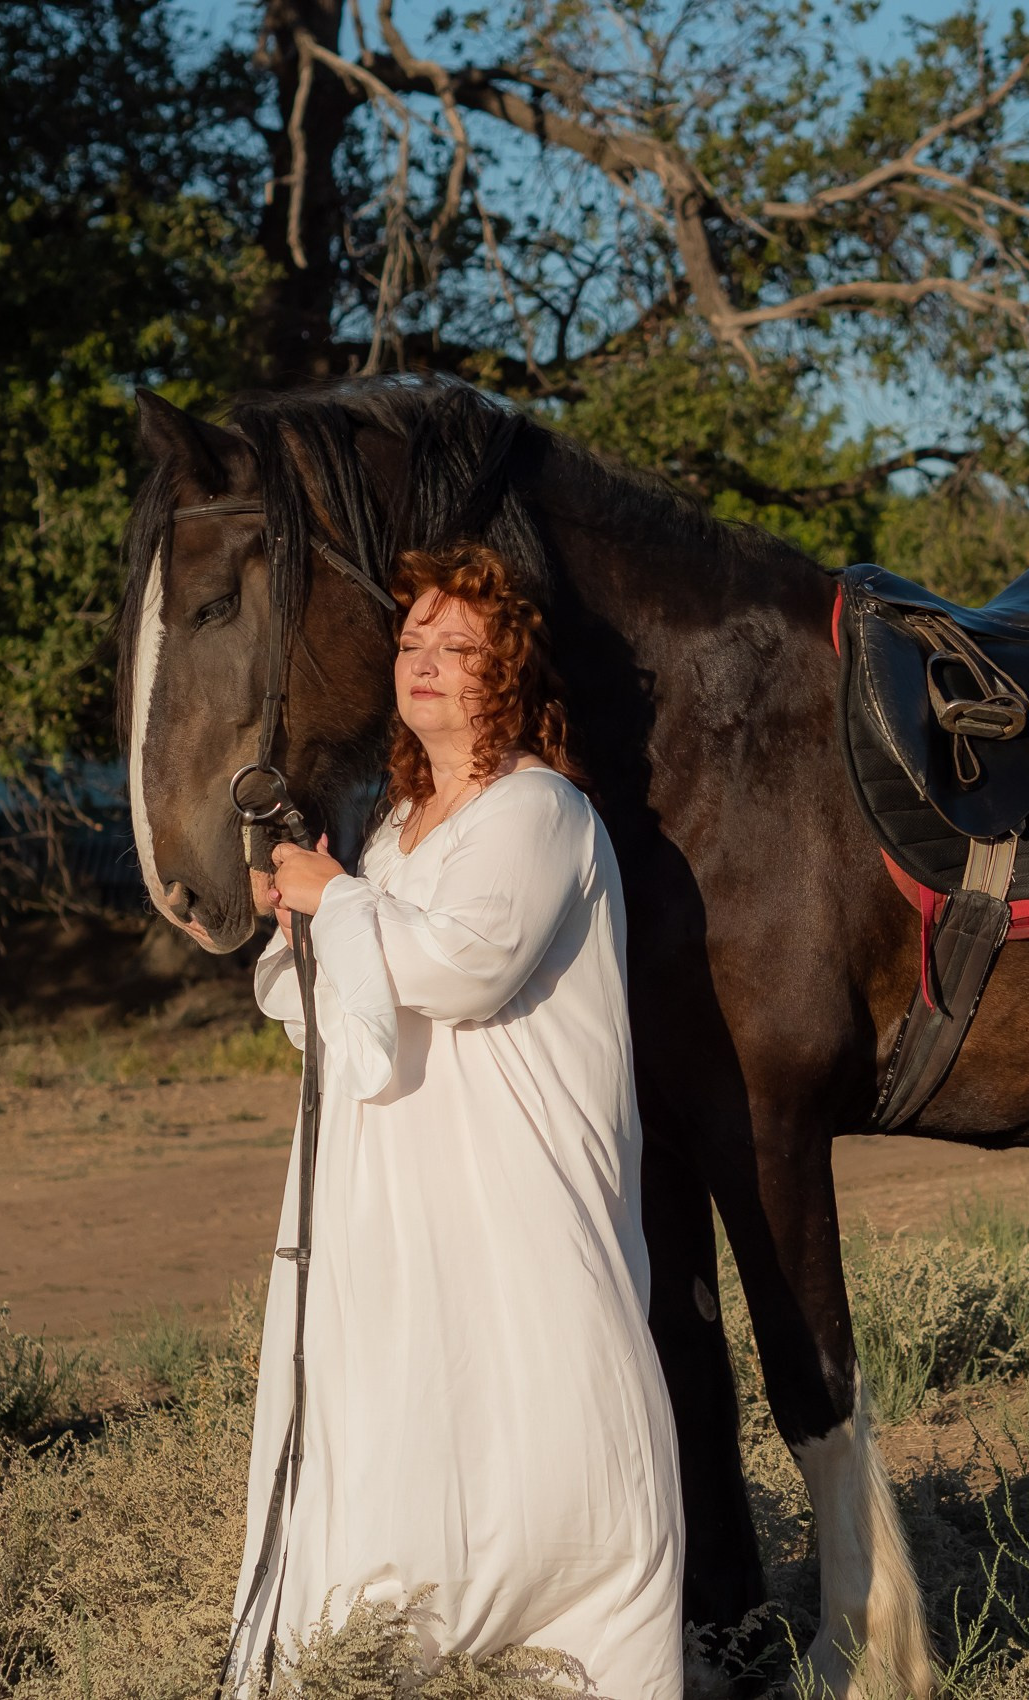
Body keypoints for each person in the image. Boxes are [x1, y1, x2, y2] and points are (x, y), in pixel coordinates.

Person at [228, 540, 685, 1697]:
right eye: (411, 643)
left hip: (517, 1190)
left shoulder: (537, 811)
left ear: (512, 673)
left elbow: (467, 966)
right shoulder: (395, 827)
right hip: (396, 1195)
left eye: (457, 647)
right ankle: (379, 1651)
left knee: (549, 1417)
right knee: (402, 1414)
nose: (424, 662)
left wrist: (338, 902)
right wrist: (298, 923)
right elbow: (329, 1009)